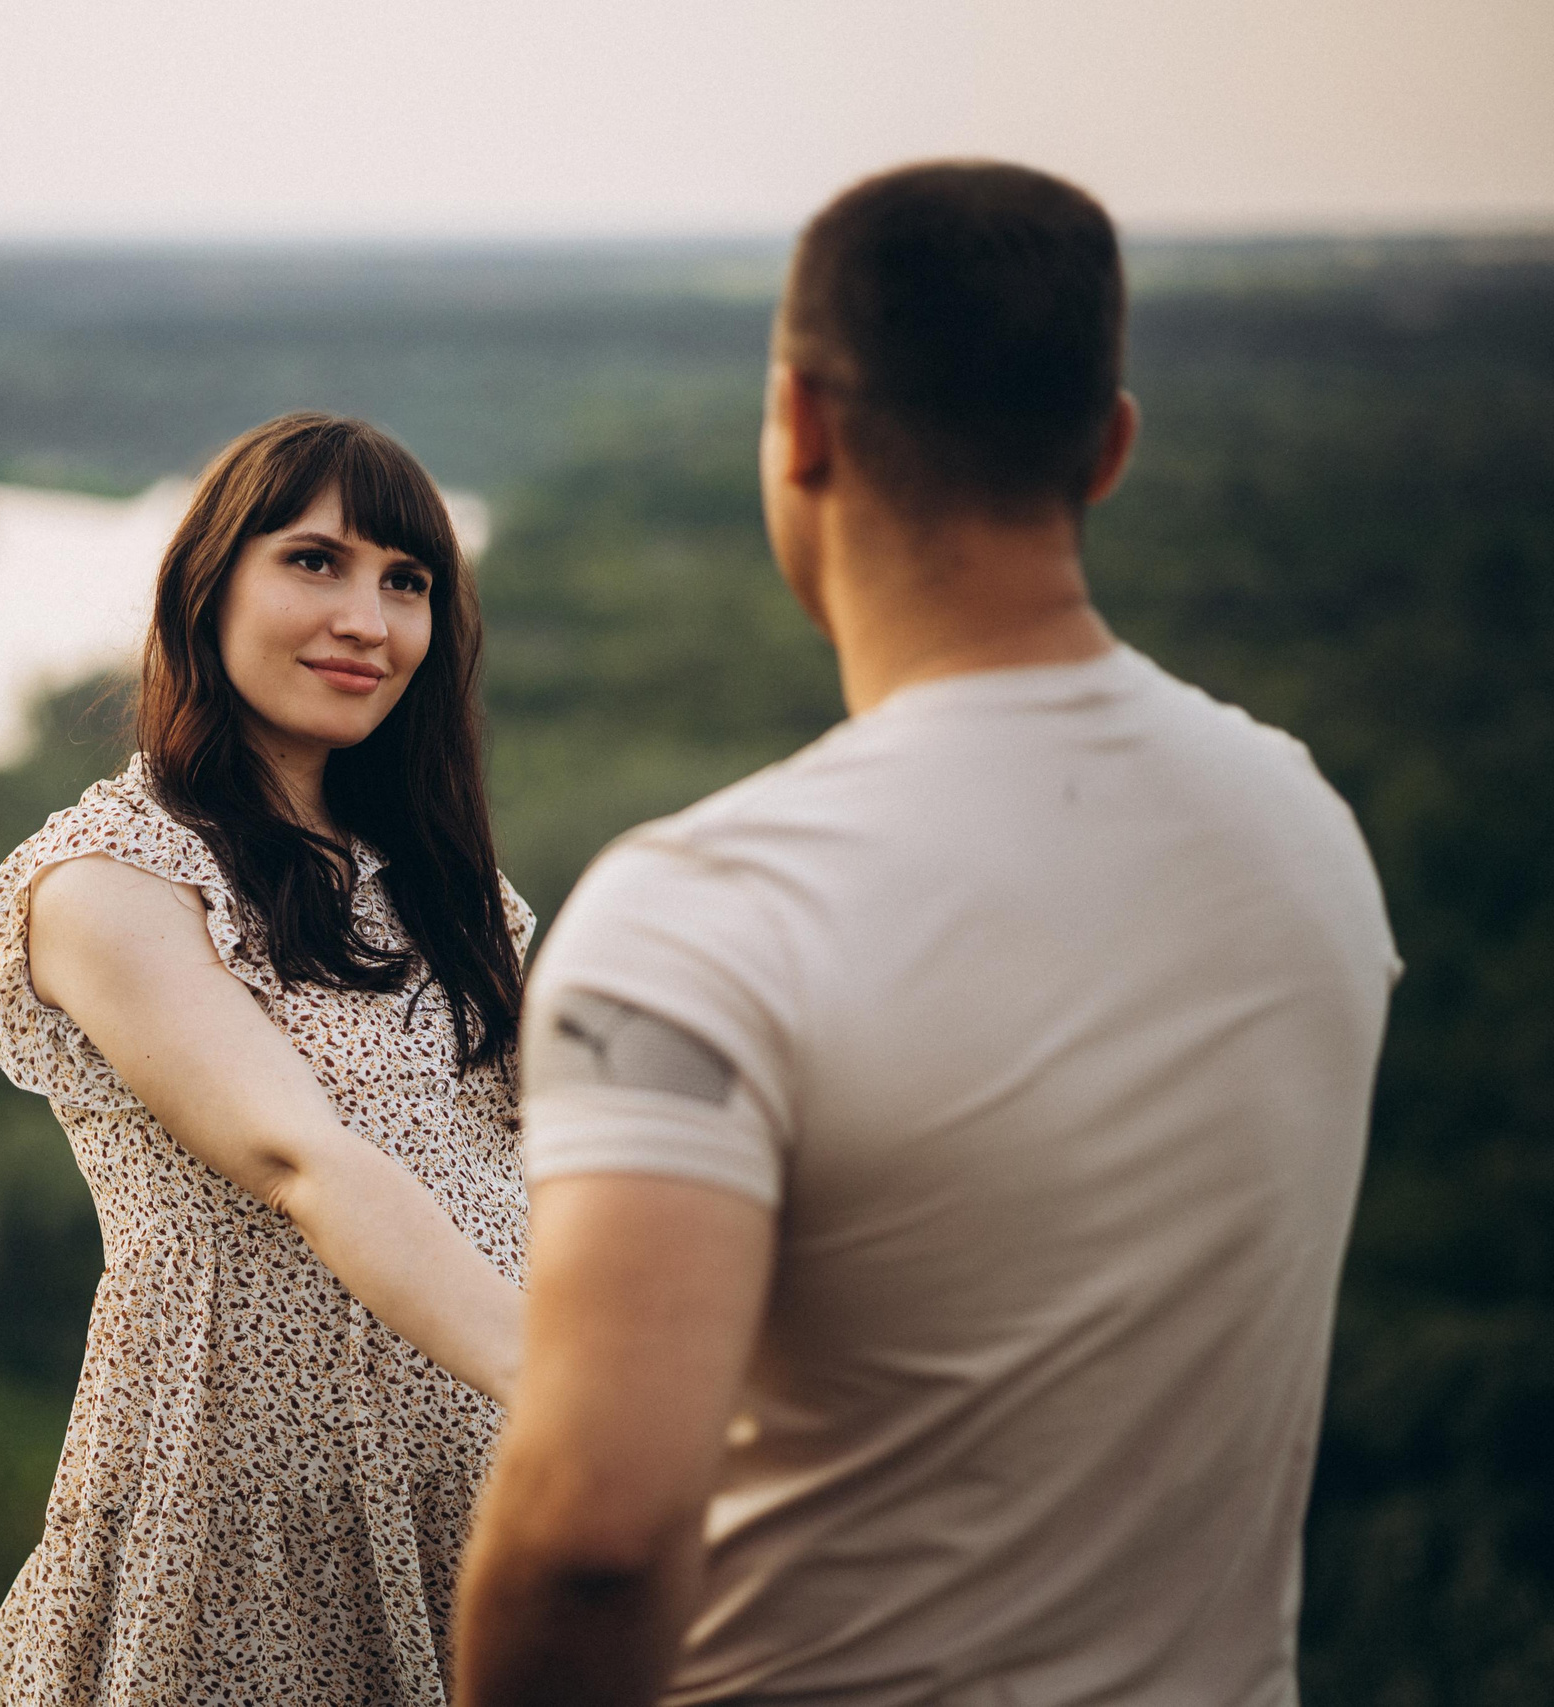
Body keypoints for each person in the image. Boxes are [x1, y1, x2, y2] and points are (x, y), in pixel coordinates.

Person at [454, 162, 1399, 1707]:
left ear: (803, 425)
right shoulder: (1304, 831)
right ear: (1108, 446)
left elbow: (594, 1540)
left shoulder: (702, 917)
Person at [0, 412, 535, 1705]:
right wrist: (582, 1392)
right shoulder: (108, 882)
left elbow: (603, 1163)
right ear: (208, 585)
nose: (367, 621)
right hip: (246, 1534)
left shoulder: (454, 895)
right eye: (314, 562)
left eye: (407, 582)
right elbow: (303, 1157)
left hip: (492, 1517)